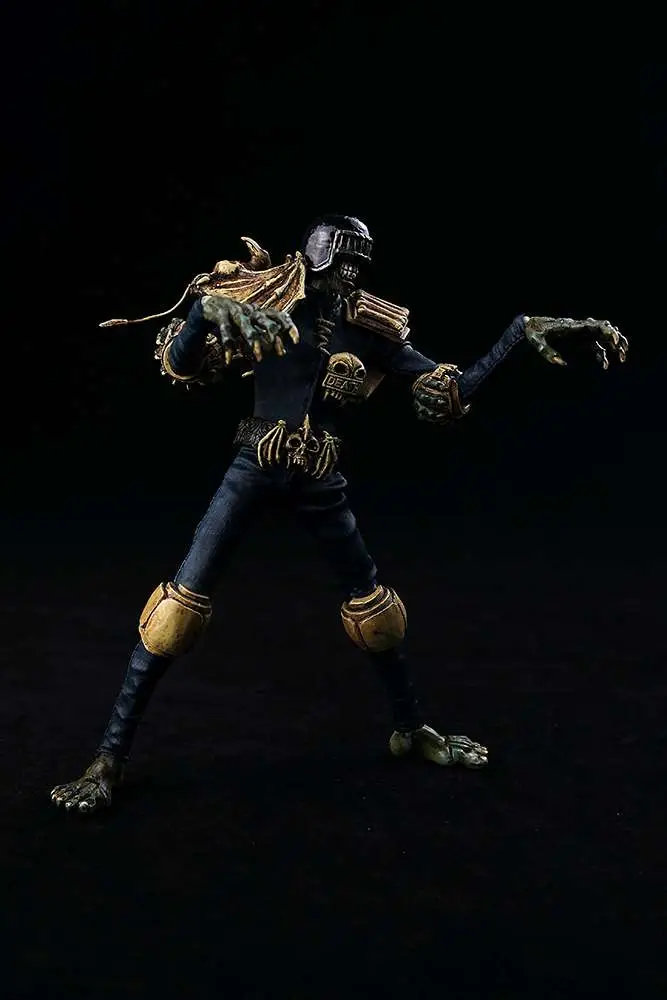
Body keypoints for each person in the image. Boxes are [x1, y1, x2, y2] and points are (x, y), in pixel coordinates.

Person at [51, 215, 628, 814]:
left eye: (359, 263)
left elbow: (448, 389)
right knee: (175, 614)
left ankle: (410, 729)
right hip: (255, 465)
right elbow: (183, 361)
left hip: (319, 478)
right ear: (316, 257)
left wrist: (518, 333)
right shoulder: (265, 301)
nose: (350, 274)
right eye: (342, 260)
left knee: (376, 612)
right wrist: (203, 312)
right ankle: (107, 759)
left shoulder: (369, 324)